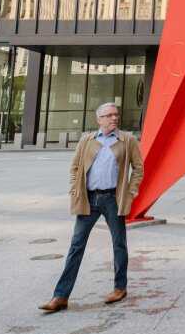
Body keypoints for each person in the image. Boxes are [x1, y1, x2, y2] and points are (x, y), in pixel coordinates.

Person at [39, 103, 144, 313]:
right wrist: (75, 189)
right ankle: (60, 296)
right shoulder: (87, 140)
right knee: (76, 246)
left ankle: (119, 287)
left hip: (113, 198)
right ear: (99, 119)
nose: (114, 118)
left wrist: (131, 192)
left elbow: (138, 169)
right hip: (89, 199)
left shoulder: (127, 140)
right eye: (109, 115)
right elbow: (75, 166)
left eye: (116, 115)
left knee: (119, 244)